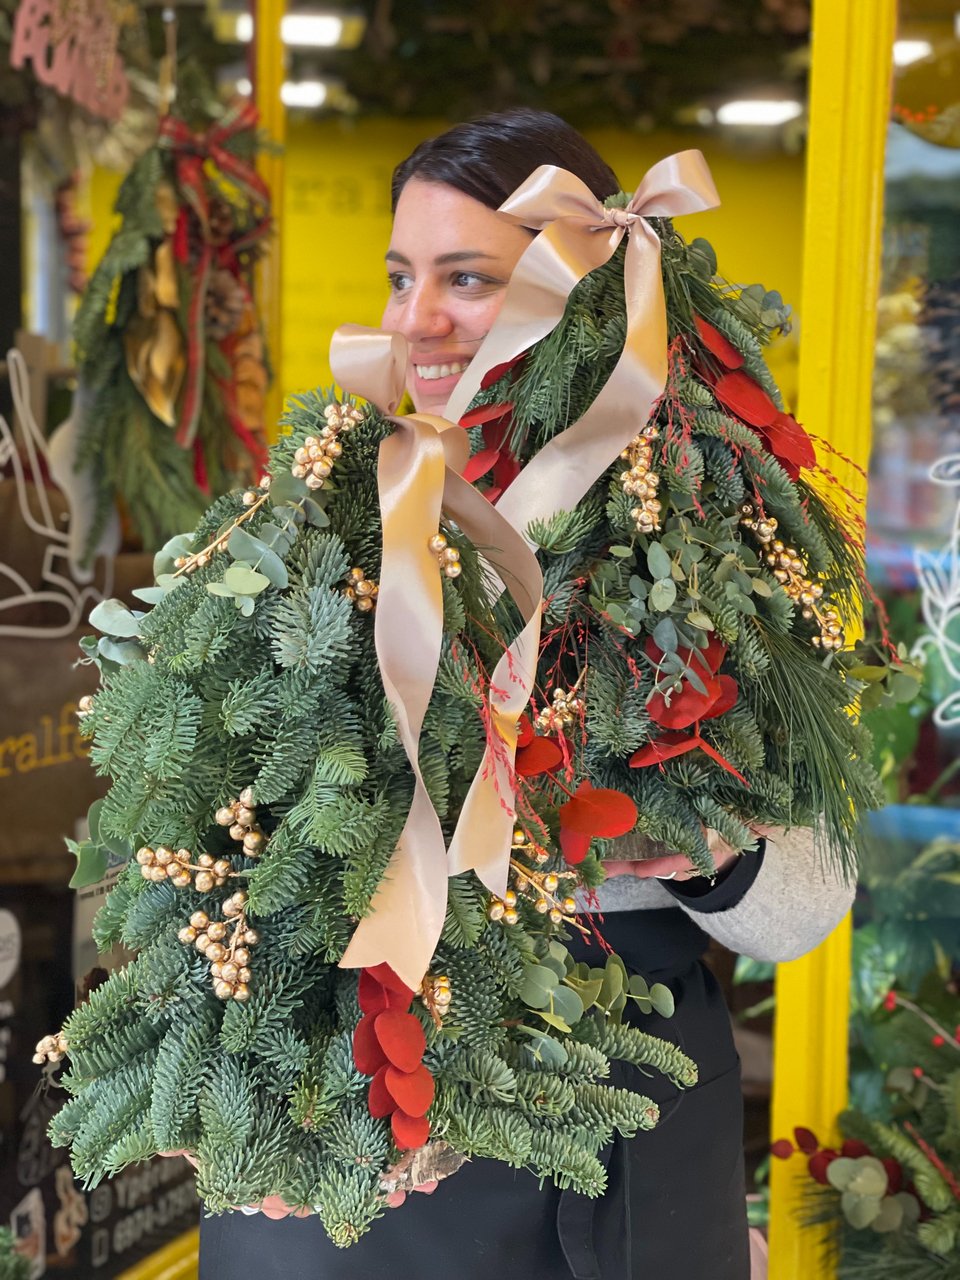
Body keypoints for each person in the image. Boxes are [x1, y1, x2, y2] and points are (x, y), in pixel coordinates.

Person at [198, 108, 855, 1280]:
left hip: (613, 1118)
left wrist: (699, 844)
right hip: (366, 1127)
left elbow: (808, 899)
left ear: (579, 294)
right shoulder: (321, 517)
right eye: (404, 276)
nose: (417, 318)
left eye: (468, 277)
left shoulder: (695, 526)